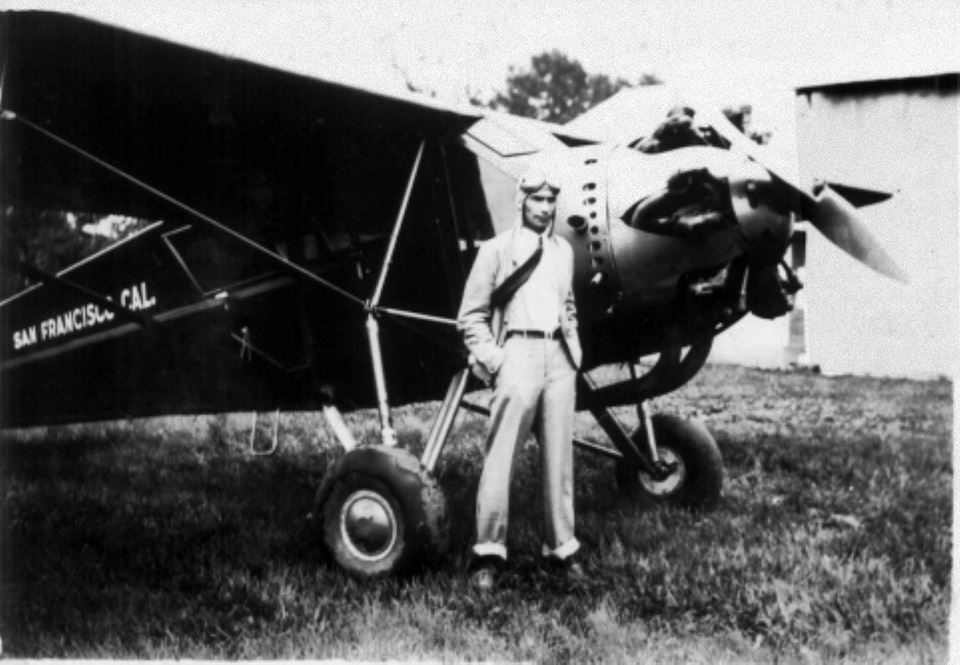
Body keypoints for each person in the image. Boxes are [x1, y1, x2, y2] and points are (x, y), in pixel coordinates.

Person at [457, 167, 583, 590]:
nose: (545, 209)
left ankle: (562, 549)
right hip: (517, 356)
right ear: (521, 201)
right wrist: (496, 359)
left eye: (551, 201)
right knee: (500, 459)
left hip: (559, 360)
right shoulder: (495, 250)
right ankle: (488, 554)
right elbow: (470, 316)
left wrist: (573, 347)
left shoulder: (563, 250)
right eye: (537, 200)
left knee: (559, 461)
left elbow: (568, 304)